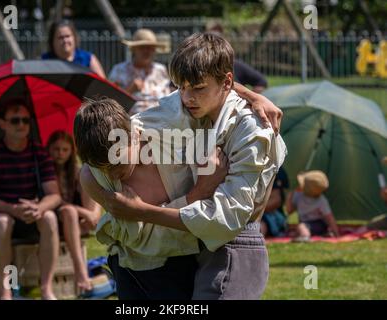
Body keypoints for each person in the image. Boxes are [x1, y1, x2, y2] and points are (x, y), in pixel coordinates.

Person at [79, 32, 286, 300]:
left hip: (235, 244)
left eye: (196, 88)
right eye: (181, 86)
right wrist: (100, 191)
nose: (187, 97)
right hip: (169, 258)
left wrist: (140, 210)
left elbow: (224, 220)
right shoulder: (185, 110)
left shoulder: (252, 129)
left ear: (226, 82)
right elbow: (100, 154)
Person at [0, 98, 62, 300]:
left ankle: (46, 289)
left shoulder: (39, 152)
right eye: (15, 120)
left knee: (49, 218)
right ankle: (5, 291)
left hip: (33, 214)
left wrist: (39, 208)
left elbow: (55, 195)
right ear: (2, 123)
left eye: (26, 120)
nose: (22, 125)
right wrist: (13, 209)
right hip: (2, 214)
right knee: (2, 222)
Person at [46, 130, 101, 296]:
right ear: (49, 150)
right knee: (69, 211)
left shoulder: (76, 170)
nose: (60, 154)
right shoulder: (46, 170)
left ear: (72, 151)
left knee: (88, 175)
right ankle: (81, 272)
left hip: (77, 218)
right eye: (56, 149)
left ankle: (94, 218)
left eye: (65, 149)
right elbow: (56, 201)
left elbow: (95, 196)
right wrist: (84, 213)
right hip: (54, 215)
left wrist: (92, 214)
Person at [108, 28, 172, 115]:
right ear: (134, 49)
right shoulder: (119, 70)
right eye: (142, 47)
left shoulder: (160, 70)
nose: (147, 51)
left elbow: (168, 99)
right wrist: (129, 90)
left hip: (160, 121)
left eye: (150, 48)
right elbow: (109, 104)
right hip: (130, 123)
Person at [206, 22, 268, 93]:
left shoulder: (236, 65)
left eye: (218, 41)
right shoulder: (198, 69)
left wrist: (248, 98)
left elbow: (261, 82)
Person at [286, 170, 340, 241]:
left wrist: (337, 234)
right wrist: (291, 195)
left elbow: (329, 218)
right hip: (306, 224)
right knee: (299, 227)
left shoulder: (321, 200)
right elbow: (289, 210)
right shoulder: (298, 195)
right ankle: (323, 234)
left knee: (301, 226)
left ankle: (305, 236)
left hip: (319, 223)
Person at [42, 20, 106, 78]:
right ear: (52, 41)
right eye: (60, 37)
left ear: (74, 38)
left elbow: (103, 85)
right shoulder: (45, 61)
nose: (65, 40)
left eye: (68, 36)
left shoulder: (88, 59)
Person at [260, 166, 290, 237]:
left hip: (270, 217)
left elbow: (276, 201)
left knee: (256, 226)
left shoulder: (274, 168)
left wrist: (250, 212)